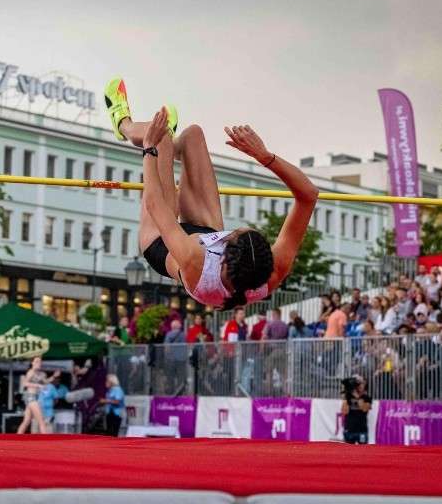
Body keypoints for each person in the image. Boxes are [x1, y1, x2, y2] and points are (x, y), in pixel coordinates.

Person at [104, 78, 319, 310]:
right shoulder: (273, 270)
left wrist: (149, 149)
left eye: (233, 234)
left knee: (161, 140)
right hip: (204, 236)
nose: (233, 230)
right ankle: (174, 146)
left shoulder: (196, 261)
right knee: (193, 135)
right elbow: (308, 195)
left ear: (224, 257)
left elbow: (155, 205)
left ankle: (123, 125)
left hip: (161, 244)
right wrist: (264, 156)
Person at [17, 357, 57, 434]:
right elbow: (24, 383)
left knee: (26, 421)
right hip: (31, 398)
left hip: (33, 398)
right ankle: (46, 442)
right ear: (32, 362)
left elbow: (45, 381)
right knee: (41, 421)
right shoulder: (31, 372)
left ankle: (17, 438)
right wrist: (37, 385)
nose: (39, 363)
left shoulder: (39, 373)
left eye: (40, 362)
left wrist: (53, 377)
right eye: (37, 361)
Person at [340, 376, 372, 444]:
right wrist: (346, 396)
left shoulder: (367, 398)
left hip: (362, 430)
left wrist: (357, 396)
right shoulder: (348, 397)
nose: (359, 385)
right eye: (358, 383)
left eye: (362, 383)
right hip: (349, 429)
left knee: (363, 451)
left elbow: (364, 409)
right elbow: (345, 411)